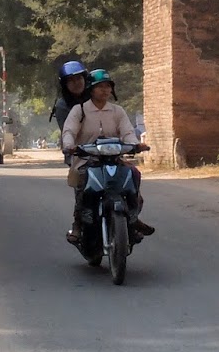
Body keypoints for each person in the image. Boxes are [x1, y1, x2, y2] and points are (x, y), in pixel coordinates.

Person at [62, 69, 153, 243]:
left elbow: (127, 132)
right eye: (100, 86)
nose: (105, 90)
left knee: (133, 174)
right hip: (87, 160)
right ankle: (78, 224)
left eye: (108, 86)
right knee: (83, 182)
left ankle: (133, 218)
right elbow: (69, 131)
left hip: (114, 159)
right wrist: (69, 145)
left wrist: (135, 144)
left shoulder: (117, 111)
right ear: (91, 89)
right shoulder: (79, 110)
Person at [49, 60, 90, 158]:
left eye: (79, 78)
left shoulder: (95, 99)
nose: (76, 83)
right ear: (65, 84)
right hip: (77, 154)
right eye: (71, 80)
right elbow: (68, 132)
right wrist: (70, 146)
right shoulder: (62, 106)